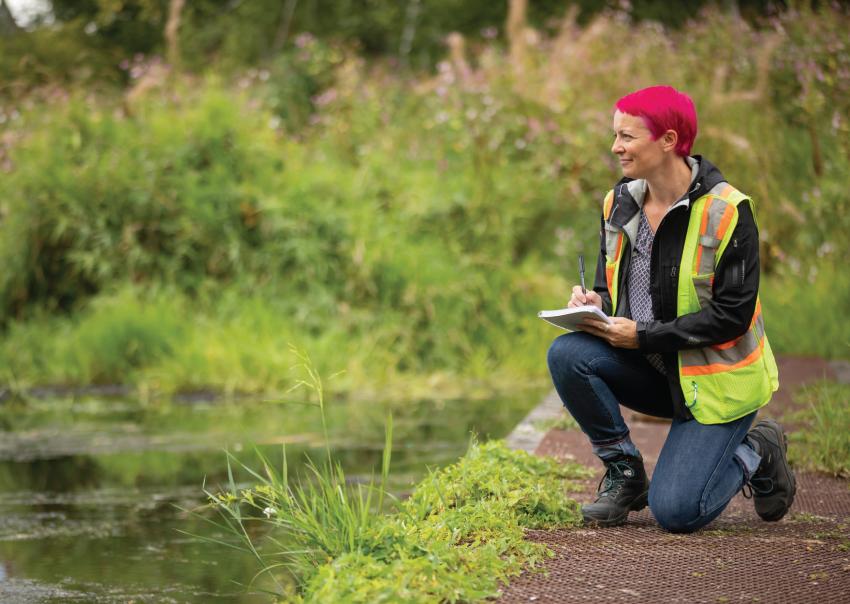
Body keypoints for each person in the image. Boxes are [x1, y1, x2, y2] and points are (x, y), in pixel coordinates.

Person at [546, 85, 795, 533]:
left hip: (716, 387)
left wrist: (642, 336)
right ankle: (624, 472)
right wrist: (594, 302)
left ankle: (756, 448)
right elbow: (611, 284)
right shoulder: (618, 201)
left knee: (678, 513)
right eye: (615, 135)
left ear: (668, 140)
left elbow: (732, 317)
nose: (615, 147)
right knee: (567, 354)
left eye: (627, 136)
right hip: (657, 373)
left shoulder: (728, 211)